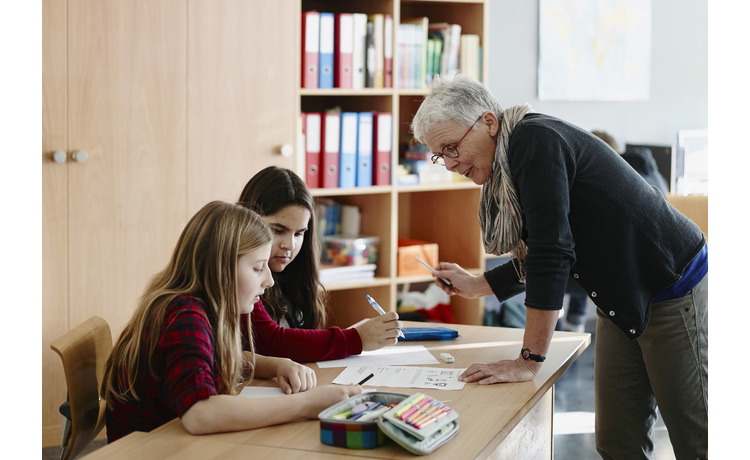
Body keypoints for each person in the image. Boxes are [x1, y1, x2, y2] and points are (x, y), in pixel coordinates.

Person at [410, 73, 707, 460]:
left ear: (488, 121)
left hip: (670, 285)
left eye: (451, 148)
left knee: (695, 442)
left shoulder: (535, 142)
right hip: (620, 294)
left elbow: (553, 252)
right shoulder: (511, 159)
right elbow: (543, 249)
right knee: (618, 443)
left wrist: (528, 360)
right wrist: (476, 284)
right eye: (440, 155)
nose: (450, 164)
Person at [101, 201, 361, 442]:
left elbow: (210, 358)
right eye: (258, 267)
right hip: (154, 449)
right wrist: (307, 404)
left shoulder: (193, 305)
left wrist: (276, 365)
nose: (269, 281)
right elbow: (200, 412)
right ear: (221, 268)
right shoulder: (184, 315)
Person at [237, 166, 402, 362]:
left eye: (299, 233)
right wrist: (358, 338)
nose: (290, 245)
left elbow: (304, 336)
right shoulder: (239, 272)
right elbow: (269, 341)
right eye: (278, 230)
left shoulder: (295, 273)